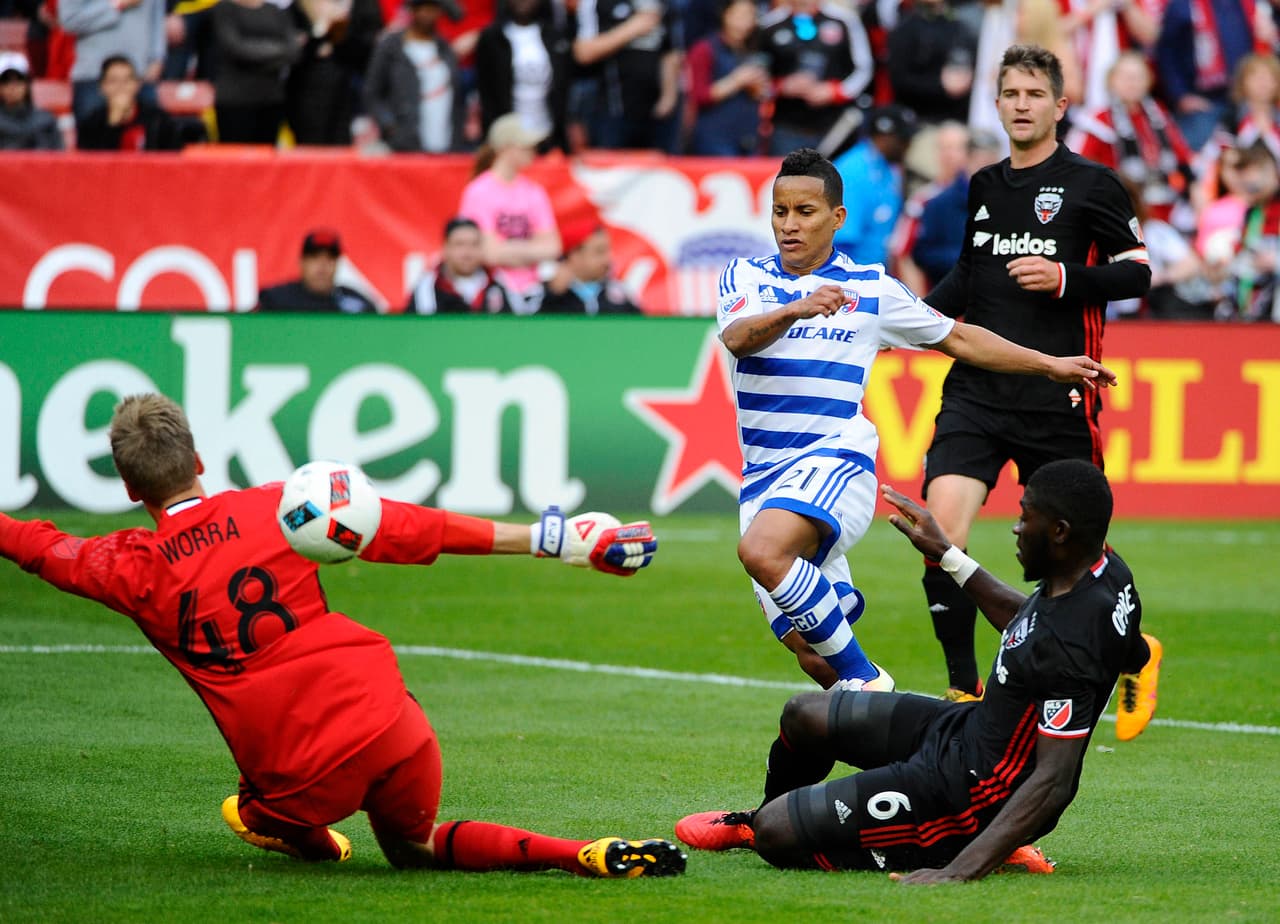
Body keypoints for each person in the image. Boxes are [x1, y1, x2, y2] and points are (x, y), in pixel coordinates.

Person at [0, 392, 681, 876]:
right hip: (390, 721)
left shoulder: (128, 568)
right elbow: (409, 527)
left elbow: (38, 545)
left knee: (248, 810)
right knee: (415, 848)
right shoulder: (279, 506)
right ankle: (583, 851)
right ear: (200, 459)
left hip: (299, 778)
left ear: (127, 488)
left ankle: (313, 842)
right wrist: (551, 538)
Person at [712, 145, 1118, 696]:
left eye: (805, 212)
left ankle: (870, 680)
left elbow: (960, 336)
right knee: (813, 657)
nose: (789, 225)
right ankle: (911, 741)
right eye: (780, 211)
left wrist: (1050, 364)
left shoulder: (872, 291)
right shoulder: (744, 277)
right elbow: (736, 337)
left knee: (764, 553)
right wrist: (795, 308)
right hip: (761, 477)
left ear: (837, 219)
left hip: (834, 459)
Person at [675, 460, 1163, 882]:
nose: (1016, 529)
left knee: (778, 836)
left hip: (973, 795)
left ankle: (964, 847)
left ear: (1059, 532)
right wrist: (947, 554)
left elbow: (1053, 781)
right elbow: (1050, 627)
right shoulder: (1105, 568)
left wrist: (962, 869)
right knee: (805, 713)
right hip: (966, 730)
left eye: (1024, 518)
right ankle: (760, 818)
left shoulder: (1071, 644)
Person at [915, 44, 1151, 705]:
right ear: (997, 103)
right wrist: (905, 320)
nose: (1021, 105)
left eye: (1033, 94)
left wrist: (1066, 277)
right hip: (976, 393)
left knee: (1079, 558)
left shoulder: (1094, 184)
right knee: (941, 532)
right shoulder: (985, 186)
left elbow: (1138, 271)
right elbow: (969, 275)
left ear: (1059, 106)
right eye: (1010, 94)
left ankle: (1138, 651)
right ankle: (964, 689)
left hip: (1057, 395)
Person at [1065, 50, 1195, 227]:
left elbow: (1184, 158)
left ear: (1149, 81)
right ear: (1111, 81)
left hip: (1167, 209)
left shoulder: (1159, 116)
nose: (1132, 83)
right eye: (1125, 77)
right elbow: (1074, 167)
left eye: (1138, 77)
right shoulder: (1097, 121)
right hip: (1119, 213)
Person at [457, 112, 561, 310]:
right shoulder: (479, 192)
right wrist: (531, 249)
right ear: (506, 147)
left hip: (535, 290)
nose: (533, 151)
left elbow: (553, 247)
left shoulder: (534, 191)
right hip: (492, 290)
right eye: (526, 145)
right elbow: (488, 253)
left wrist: (506, 248)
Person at [757, 0, 873, 156]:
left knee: (833, 177)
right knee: (789, 177)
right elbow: (756, 73)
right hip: (787, 125)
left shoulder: (844, 19)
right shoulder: (769, 24)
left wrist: (834, 91)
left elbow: (864, 68)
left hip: (835, 125)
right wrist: (781, 86)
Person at [571, 0, 683, 152]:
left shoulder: (662, 4)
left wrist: (668, 94)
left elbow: (670, 51)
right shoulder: (596, 3)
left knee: (659, 172)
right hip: (613, 111)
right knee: (612, 170)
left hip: (656, 113)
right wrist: (632, 28)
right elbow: (583, 52)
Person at [363, 0, 465, 152]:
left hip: (444, 142)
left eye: (433, 9)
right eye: (422, 9)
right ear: (411, 10)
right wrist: (390, 125)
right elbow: (372, 92)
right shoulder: (391, 47)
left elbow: (456, 97)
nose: (427, 15)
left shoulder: (445, 49)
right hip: (404, 144)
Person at [473, 0, 572, 154]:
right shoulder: (491, 38)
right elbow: (486, 92)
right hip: (508, 140)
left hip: (549, 137)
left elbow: (564, 88)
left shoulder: (556, 37)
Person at [286, 0, 384, 145]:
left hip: (349, 84)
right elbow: (291, 44)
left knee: (340, 139)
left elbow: (369, 40)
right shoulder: (301, 6)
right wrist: (320, 26)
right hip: (306, 85)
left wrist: (339, 35)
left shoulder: (363, 5)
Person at [831, 104, 917, 266]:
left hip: (878, 275)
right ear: (883, 138)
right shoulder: (853, 173)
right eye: (904, 140)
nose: (908, 146)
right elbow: (840, 244)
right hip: (853, 278)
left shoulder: (890, 169)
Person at [683, 0, 767, 158]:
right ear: (725, 15)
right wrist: (737, 81)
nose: (745, 22)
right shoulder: (705, 49)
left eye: (750, 15)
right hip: (714, 138)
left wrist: (759, 89)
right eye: (740, 15)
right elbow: (699, 95)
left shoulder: (753, 50)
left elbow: (765, 92)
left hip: (748, 137)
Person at [211, 0, 302, 144]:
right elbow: (236, 49)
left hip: (271, 99)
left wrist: (257, 54)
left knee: (267, 159)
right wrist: (278, 52)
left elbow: (294, 50)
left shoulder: (275, 10)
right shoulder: (224, 8)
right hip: (235, 101)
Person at [59, 0, 166, 122]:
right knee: (96, 138)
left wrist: (157, 57)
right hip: (94, 76)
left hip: (141, 75)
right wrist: (117, 4)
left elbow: (157, 18)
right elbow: (70, 20)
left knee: (152, 136)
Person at [406, 216, 519, 314]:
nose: (467, 252)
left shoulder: (496, 284)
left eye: (474, 244)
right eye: (459, 244)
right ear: (446, 248)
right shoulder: (428, 287)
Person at [76, 53, 188, 149]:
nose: (121, 87)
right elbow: (92, 165)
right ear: (102, 87)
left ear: (137, 84)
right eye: (113, 81)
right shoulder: (91, 124)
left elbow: (172, 159)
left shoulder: (158, 120)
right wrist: (113, 124)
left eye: (127, 80)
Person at [534, 220, 642, 314]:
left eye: (607, 251)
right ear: (574, 255)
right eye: (599, 252)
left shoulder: (618, 294)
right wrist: (552, 294)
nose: (607, 259)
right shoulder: (543, 292)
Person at [258, 229, 378, 314]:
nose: (322, 267)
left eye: (329, 259)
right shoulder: (275, 300)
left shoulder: (358, 303)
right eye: (314, 258)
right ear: (302, 263)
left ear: (337, 264)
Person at [0, 49, 63, 149]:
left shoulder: (45, 120)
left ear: (27, 84)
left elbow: (60, 158)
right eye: (6, 81)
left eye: (18, 81)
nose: (12, 87)